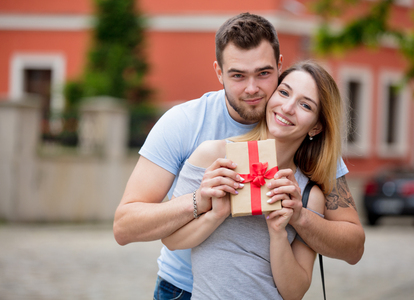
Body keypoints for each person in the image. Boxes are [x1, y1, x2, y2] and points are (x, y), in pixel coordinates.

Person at [113, 13, 365, 299]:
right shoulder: (188, 125)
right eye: (237, 75)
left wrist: (300, 219)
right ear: (219, 73)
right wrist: (201, 202)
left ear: (279, 67)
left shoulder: (309, 147)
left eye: (264, 73)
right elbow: (125, 226)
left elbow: (353, 246)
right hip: (182, 289)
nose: (252, 88)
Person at [162, 61, 342, 299]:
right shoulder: (214, 158)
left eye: (305, 105)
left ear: (316, 127)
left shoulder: (307, 195)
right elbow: (171, 240)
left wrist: (279, 231)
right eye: (284, 92)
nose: (287, 107)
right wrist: (215, 213)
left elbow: (295, 292)